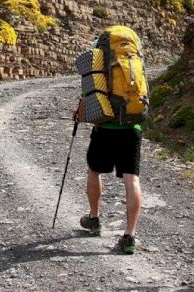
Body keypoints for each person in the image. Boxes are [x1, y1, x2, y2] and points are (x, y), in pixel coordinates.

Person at [73, 61, 144, 254]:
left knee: (94, 171)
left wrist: (79, 114)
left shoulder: (98, 56)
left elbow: (87, 95)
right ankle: (129, 236)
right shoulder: (134, 58)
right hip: (132, 128)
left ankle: (94, 219)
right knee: (132, 179)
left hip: (105, 128)